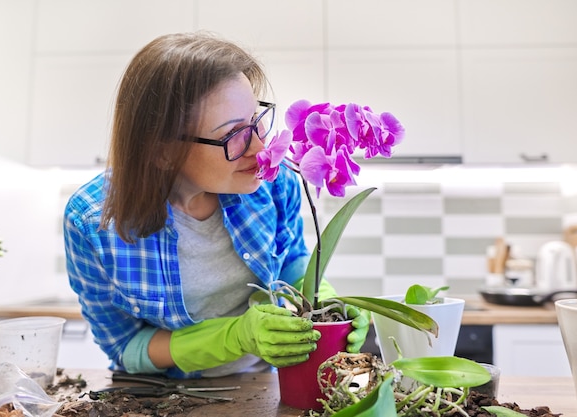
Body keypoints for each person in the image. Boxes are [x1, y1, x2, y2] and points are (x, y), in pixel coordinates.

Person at [63, 32, 369, 378]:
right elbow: (125, 348)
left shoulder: (273, 180)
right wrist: (234, 337)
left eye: (256, 120)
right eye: (232, 134)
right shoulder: (92, 222)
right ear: (162, 151)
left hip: (265, 385)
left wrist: (327, 305)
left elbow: (291, 262)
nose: (260, 147)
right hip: (165, 396)